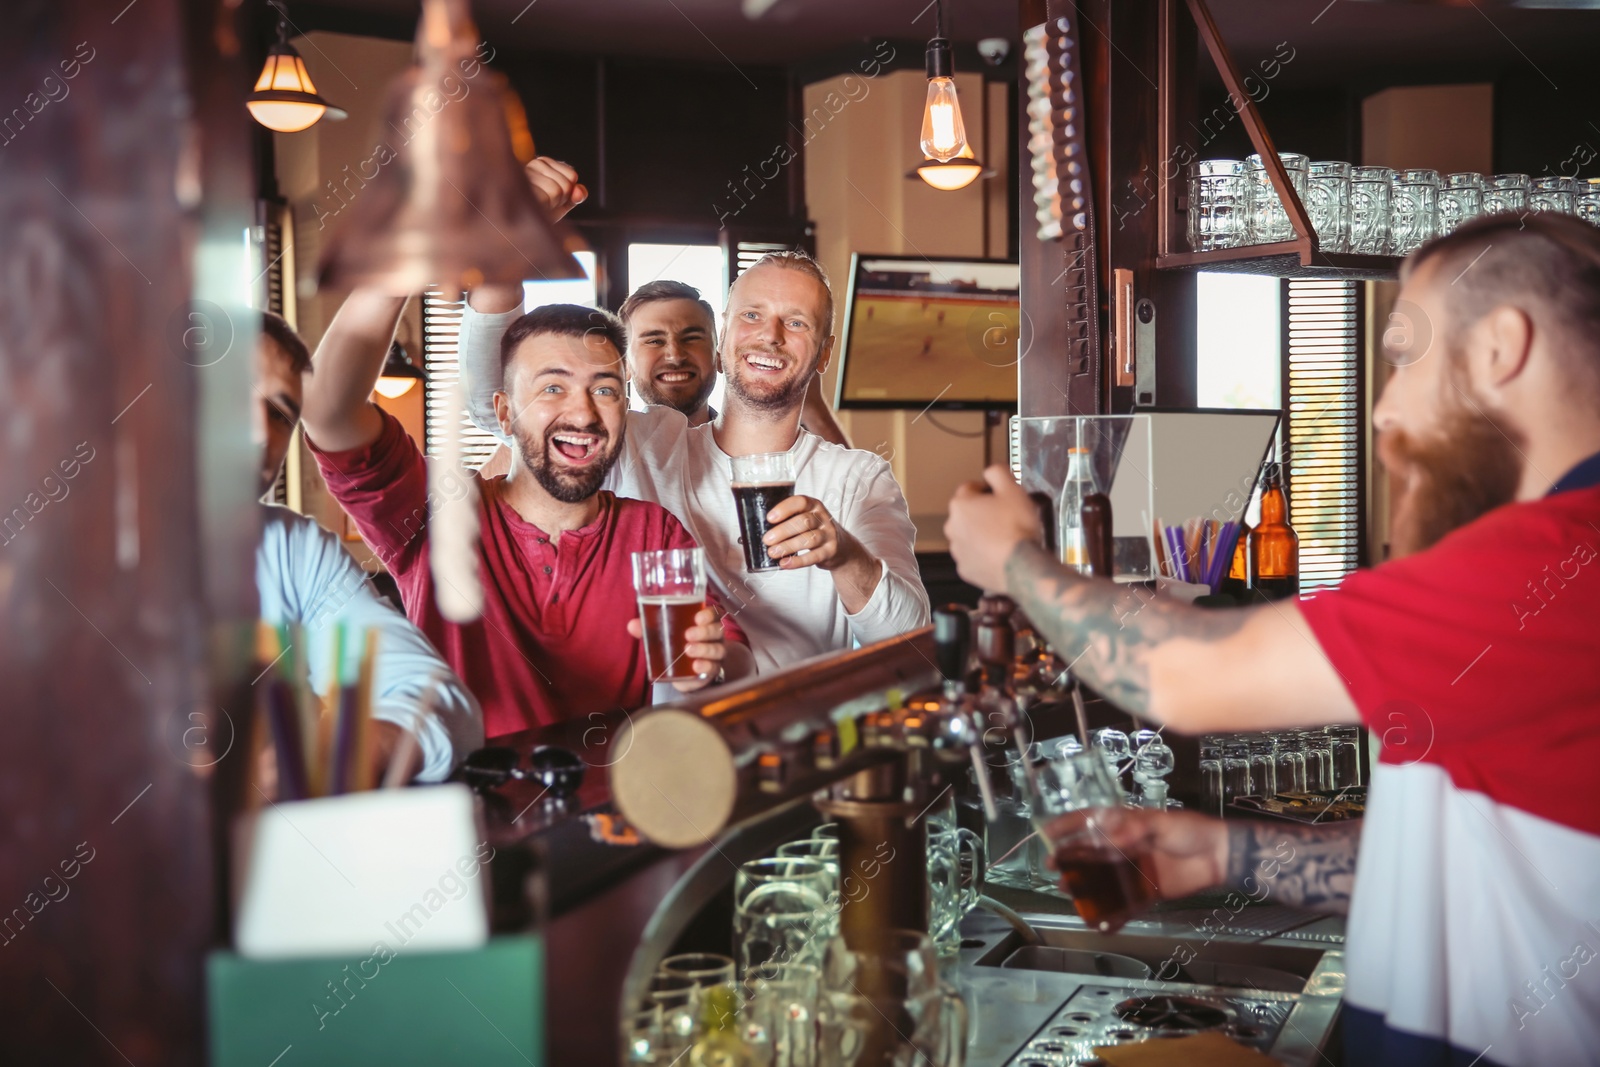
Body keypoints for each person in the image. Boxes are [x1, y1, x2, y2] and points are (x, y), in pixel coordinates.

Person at [944, 212, 1600, 1067]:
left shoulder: (1552, 561)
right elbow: (1448, 862)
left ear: (1501, 347)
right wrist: (1225, 850)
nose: (1382, 407)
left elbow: (1182, 676)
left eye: (1403, 353)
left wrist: (1015, 559)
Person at [459, 237, 929, 673]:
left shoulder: (859, 477)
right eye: (751, 315)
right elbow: (496, 401)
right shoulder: (648, 441)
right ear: (723, 336)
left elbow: (911, 646)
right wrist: (505, 243)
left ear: (824, 354)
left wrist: (845, 556)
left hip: (790, 741)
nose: (770, 335)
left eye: (796, 322)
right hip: (660, 742)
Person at [299, 290, 750, 740]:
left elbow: (735, 653)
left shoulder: (652, 530)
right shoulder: (435, 511)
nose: (583, 411)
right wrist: (394, 281)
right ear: (505, 412)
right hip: (466, 801)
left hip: (608, 800)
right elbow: (326, 410)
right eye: (553, 387)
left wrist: (708, 665)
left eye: (605, 389)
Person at [253, 311, 482, 784]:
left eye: (278, 414)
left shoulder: (293, 549)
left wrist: (347, 746)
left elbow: (439, 700)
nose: (259, 435)